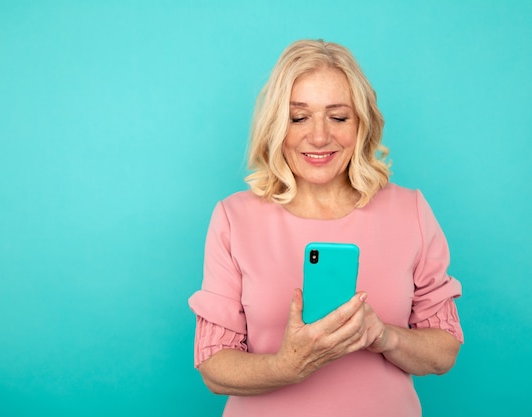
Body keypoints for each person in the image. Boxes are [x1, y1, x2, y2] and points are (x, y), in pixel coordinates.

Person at [188, 39, 463, 417]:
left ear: (362, 124)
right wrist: (288, 365)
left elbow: (443, 351)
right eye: (299, 117)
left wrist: (383, 336)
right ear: (276, 125)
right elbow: (214, 368)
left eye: (338, 117)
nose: (319, 137)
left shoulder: (409, 210)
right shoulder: (234, 218)